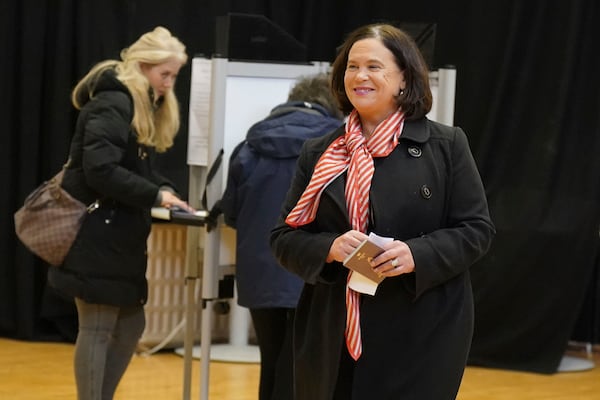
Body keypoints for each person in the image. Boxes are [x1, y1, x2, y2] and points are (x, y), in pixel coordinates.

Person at [270, 23, 496, 400]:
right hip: (332, 332)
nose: (360, 76)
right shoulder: (320, 152)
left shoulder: (446, 145)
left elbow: (477, 230)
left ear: (404, 77)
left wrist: (415, 254)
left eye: (374, 66)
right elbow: (283, 238)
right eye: (352, 66)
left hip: (422, 332)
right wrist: (330, 248)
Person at [47, 26, 193, 400]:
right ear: (143, 67)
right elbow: (101, 170)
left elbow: (135, 169)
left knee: (130, 324)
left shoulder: (134, 104)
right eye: (165, 74)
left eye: (174, 75)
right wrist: (156, 196)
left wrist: (165, 191)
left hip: (114, 236)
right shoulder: (114, 102)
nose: (169, 84)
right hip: (95, 233)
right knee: (97, 327)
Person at [219, 73, 344, 400]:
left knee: (271, 361)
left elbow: (231, 213)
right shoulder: (334, 147)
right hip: (313, 269)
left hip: (260, 271)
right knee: (305, 366)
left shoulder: (248, 147)